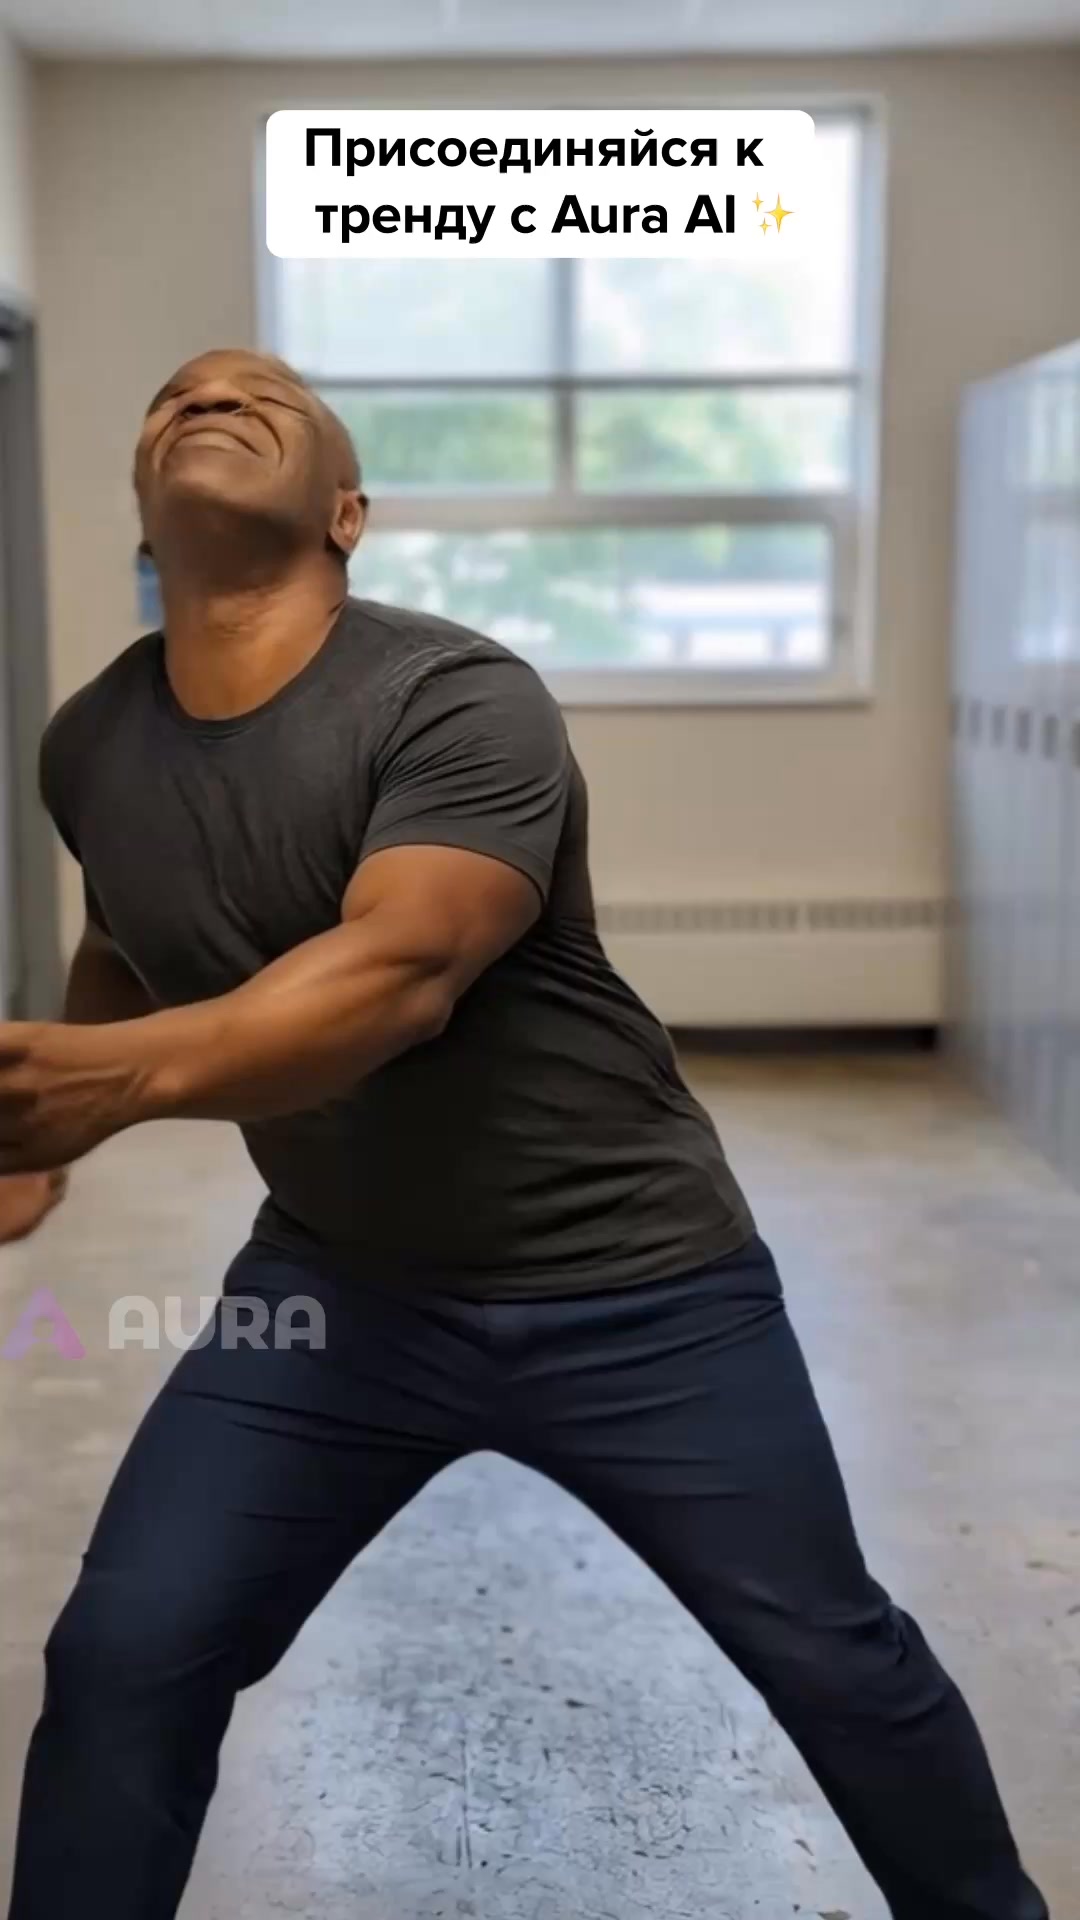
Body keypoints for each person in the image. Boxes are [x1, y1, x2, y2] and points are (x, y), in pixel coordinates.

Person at [1, 349, 1047, 1920]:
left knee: (834, 1658)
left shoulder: (454, 695)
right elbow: (130, 941)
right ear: (144, 512)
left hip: (638, 1284)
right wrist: (44, 1133)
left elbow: (401, 972)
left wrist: (111, 1082)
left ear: (347, 513)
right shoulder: (91, 744)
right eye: (176, 395)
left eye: (267, 394)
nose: (212, 391)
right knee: (127, 1648)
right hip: (339, 1291)